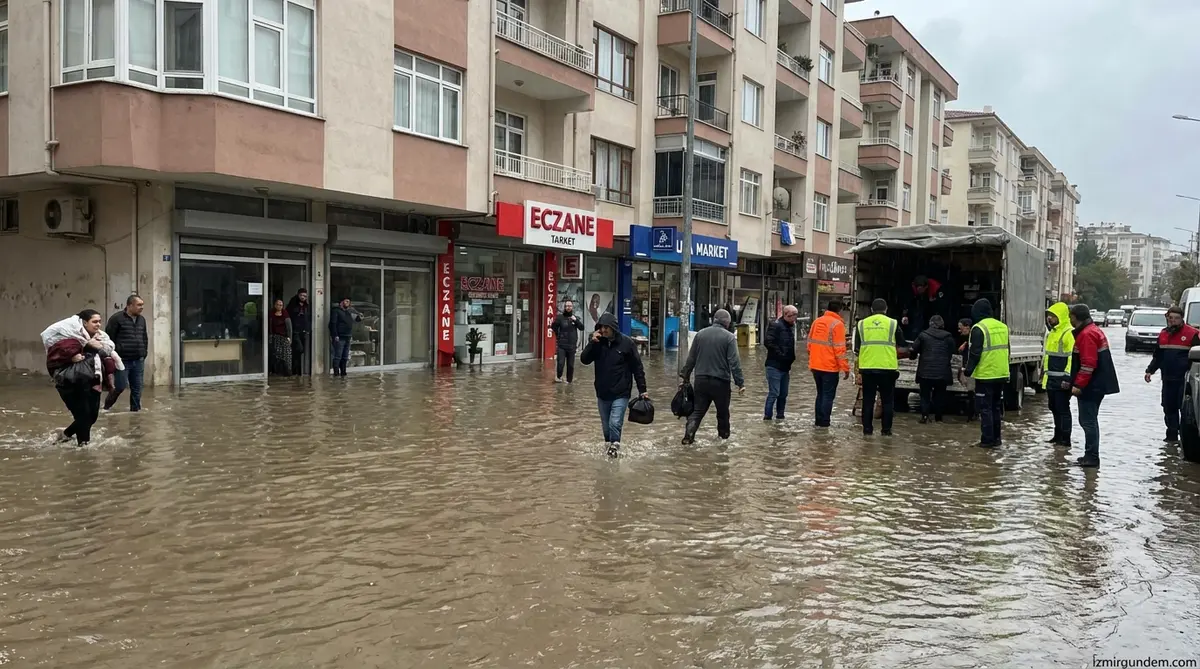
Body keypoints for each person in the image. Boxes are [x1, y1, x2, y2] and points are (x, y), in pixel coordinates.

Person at [42, 310, 114, 447]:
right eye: (94, 321)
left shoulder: (101, 338)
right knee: (83, 417)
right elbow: (55, 358)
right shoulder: (68, 340)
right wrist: (78, 352)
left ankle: (66, 435)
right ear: (84, 323)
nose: (98, 324)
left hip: (93, 382)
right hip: (72, 384)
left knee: (92, 417)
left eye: (99, 321)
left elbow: (107, 354)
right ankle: (83, 448)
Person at [580, 313, 648, 457]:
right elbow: (584, 360)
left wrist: (643, 390)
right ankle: (609, 448)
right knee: (606, 427)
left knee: (615, 423)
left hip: (621, 392)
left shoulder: (627, 343)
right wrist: (592, 342)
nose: (603, 330)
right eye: (601, 327)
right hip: (602, 392)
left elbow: (637, 367)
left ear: (613, 328)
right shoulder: (597, 343)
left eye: (606, 328)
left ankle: (615, 448)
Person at [680, 309, 745, 444]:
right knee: (722, 413)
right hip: (721, 381)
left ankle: (689, 435)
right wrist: (740, 383)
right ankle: (723, 440)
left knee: (697, 411)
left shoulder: (700, 335)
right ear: (727, 322)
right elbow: (734, 362)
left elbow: (691, 358)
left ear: (714, 319)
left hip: (701, 380)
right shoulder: (729, 337)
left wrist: (685, 376)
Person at [1068, 304, 1120, 467]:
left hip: (1091, 385)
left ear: (1075, 317)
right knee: (1090, 420)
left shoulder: (1086, 334)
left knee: (1088, 421)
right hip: (1097, 383)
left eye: (1071, 316)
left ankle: (1091, 456)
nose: (1069, 319)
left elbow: (1088, 363)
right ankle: (1090, 455)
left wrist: (1078, 385)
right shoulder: (1092, 330)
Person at [1144, 305, 1200, 444]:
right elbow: (1158, 356)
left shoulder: (1192, 334)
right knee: (1168, 407)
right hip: (1168, 379)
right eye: (1171, 318)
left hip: (1186, 380)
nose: (1173, 321)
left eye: (1176, 318)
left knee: (1185, 409)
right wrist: (1150, 370)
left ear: (1182, 319)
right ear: (1167, 319)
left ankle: (1186, 438)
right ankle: (1171, 437)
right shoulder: (1163, 334)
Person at [855, 299, 906, 436]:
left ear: (871, 309)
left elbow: (856, 348)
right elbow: (902, 344)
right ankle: (886, 431)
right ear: (886, 309)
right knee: (888, 401)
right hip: (887, 368)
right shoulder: (893, 323)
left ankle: (867, 431)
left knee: (868, 401)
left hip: (867, 368)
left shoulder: (861, 324)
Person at [963, 299, 1010, 448]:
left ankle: (987, 440)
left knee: (985, 408)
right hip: (1001, 374)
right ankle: (997, 439)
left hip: (986, 375)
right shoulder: (1003, 327)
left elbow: (975, 353)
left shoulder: (979, 328)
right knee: (996, 407)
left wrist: (967, 371)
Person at [808, 300, 850, 427]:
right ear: (840, 310)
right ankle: (825, 423)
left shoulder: (817, 321)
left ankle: (818, 421)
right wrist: (846, 368)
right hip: (830, 367)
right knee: (827, 395)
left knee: (820, 394)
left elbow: (809, 344)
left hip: (815, 365)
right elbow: (839, 350)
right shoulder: (838, 324)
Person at [104, 294, 148, 412]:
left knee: (137, 388)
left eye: (142, 305)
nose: (141, 307)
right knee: (120, 386)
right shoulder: (116, 319)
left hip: (138, 360)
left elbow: (144, 337)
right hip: (122, 360)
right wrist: (112, 356)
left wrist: (144, 352)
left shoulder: (141, 320)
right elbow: (108, 339)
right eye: (139, 305)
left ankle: (135, 412)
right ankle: (106, 408)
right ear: (129, 306)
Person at [909, 315, 955, 423]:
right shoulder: (948, 337)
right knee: (940, 396)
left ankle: (925, 416)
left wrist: (912, 357)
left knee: (925, 395)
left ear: (930, 324)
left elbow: (913, 350)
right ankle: (938, 418)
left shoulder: (923, 335)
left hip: (925, 373)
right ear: (942, 325)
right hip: (942, 373)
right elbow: (952, 351)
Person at [1042, 302, 1076, 445]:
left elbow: (1071, 357)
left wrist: (1068, 378)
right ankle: (1057, 436)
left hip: (1062, 379)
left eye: (1053, 316)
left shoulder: (1069, 333)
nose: (1050, 318)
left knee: (1063, 409)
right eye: (1049, 316)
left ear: (1061, 316)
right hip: (1051, 378)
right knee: (1053, 407)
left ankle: (1065, 439)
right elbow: (1048, 356)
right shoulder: (1052, 333)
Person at [762, 305, 798, 420]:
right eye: (793, 316)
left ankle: (780, 416)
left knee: (783, 394)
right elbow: (768, 342)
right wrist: (781, 355)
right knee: (774, 393)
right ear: (786, 314)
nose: (795, 319)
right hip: (774, 366)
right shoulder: (776, 325)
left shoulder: (789, 327)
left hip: (785, 367)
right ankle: (767, 417)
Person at [902, 275, 946, 339]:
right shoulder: (913, 288)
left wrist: (933, 300)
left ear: (926, 286)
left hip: (934, 305)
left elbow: (942, 304)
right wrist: (904, 315)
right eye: (918, 289)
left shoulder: (936, 288)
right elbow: (906, 303)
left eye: (921, 289)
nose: (919, 290)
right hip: (920, 304)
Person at [551, 300, 585, 383]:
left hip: (571, 346)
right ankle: (559, 378)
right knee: (561, 363)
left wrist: (575, 320)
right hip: (562, 345)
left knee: (570, 365)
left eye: (570, 306)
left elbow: (582, 328)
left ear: (572, 307)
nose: (568, 307)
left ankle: (569, 381)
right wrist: (558, 336)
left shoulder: (575, 318)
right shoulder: (560, 318)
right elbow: (553, 327)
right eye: (567, 306)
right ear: (564, 307)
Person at [329, 297, 361, 376]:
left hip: (348, 336)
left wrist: (359, 316)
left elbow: (356, 319)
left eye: (349, 302)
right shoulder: (336, 311)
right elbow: (332, 324)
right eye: (346, 301)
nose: (348, 303)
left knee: (345, 356)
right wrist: (335, 335)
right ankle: (336, 374)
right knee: (338, 356)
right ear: (341, 302)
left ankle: (343, 373)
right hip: (339, 337)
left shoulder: (349, 312)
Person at [286, 288, 311, 375]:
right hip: (295, 330)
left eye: (305, 296)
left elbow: (308, 318)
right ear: (298, 295)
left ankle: (298, 371)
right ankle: (294, 370)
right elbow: (288, 316)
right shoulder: (293, 304)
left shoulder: (307, 306)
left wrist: (307, 329)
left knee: (300, 351)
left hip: (303, 331)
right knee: (298, 349)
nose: (303, 297)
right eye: (301, 295)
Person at [956, 317, 977, 421]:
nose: (959, 331)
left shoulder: (972, 340)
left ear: (967, 327)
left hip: (971, 371)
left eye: (961, 328)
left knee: (971, 393)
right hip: (967, 369)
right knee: (971, 393)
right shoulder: (964, 339)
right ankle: (972, 415)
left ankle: (972, 415)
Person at [268, 299, 293, 376]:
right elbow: (269, 326)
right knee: (276, 354)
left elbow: (289, 327)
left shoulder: (285, 314)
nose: (279, 306)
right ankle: (276, 371)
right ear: (275, 305)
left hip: (284, 337)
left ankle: (287, 371)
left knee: (286, 355)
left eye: (281, 305)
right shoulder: (271, 314)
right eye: (278, 305)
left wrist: (289, 337)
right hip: (275, 337)